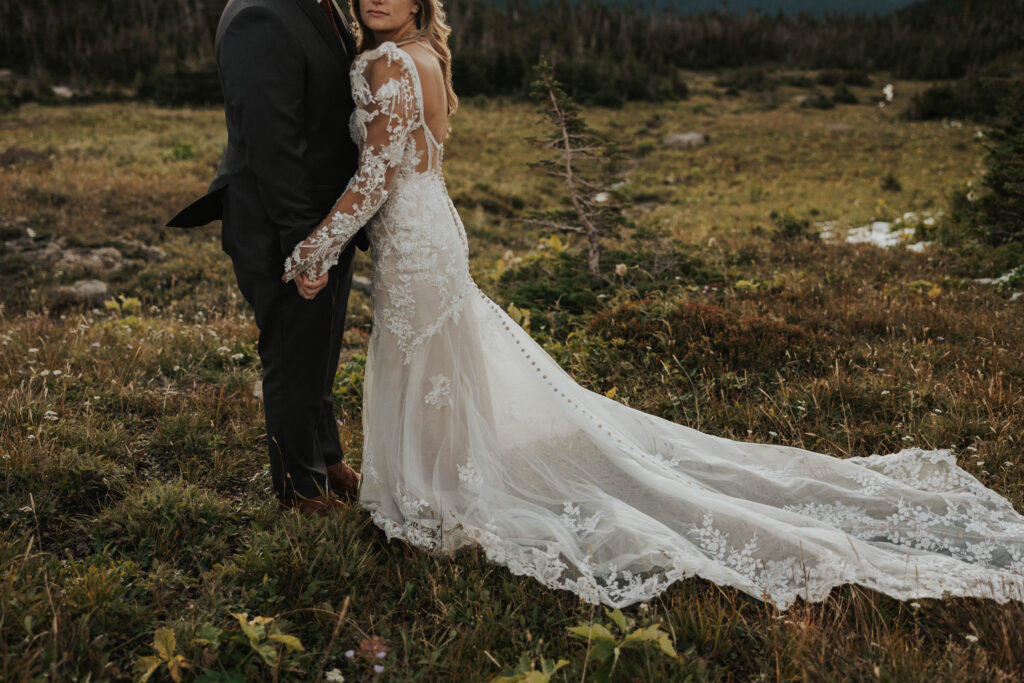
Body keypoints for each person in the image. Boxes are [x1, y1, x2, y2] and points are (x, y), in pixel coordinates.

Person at [291, 0, 1024, 609]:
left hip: (414, 239)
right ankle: (444, 492)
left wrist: (315, 250)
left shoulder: (388, 61)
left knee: (427, 362)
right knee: (440, 365)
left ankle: (442, 505)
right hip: (432, 232)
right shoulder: (424, 53)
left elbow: (377, 175)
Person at [167, 0, 366, 516]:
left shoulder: (322, 5)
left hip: (330, 220)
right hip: (282, 226)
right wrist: (306, 247)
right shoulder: (261, 15)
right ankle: (299, 490)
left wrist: (334, 233)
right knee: (291, 355)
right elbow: (272, 144)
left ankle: (326, 457)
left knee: (318, 352)